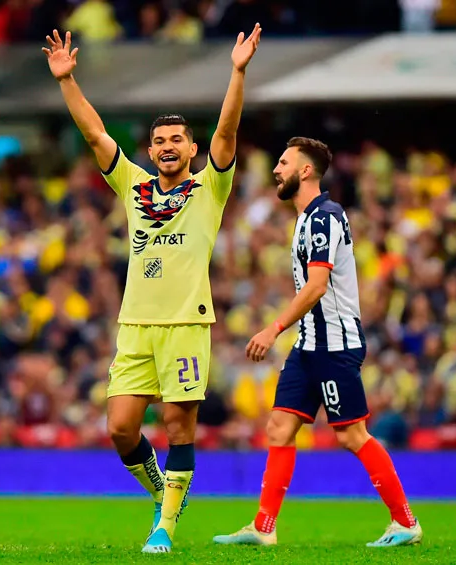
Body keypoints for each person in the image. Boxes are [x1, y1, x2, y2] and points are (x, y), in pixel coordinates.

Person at [42, 25, 262, 554]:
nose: (167, 147)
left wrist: (237, 72)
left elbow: (227, 132)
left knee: (178, 426)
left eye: (176, 140)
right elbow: (96, 135)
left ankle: (164, 526)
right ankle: (164, 492)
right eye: (159, 141)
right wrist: (67, 81)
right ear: (150, 149)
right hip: (136, 324)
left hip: (186, 323)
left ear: (191, 148)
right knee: (121, 428)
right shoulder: (133, 185)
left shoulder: (210, 188)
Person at [213, 137, 423, 548]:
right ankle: (263, 527)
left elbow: (317, 286)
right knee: (279, 427)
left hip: (335, 342)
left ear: (305, 171)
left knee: (351, 435)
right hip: (310, 342)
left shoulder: (324, 217)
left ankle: (405, 522)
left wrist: (272, 329)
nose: (276, 170)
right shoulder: (306, 219)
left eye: (283, 162)